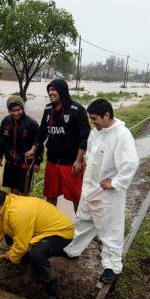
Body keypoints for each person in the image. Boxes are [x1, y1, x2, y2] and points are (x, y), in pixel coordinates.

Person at [63, 98, 138, 285]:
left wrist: (115, 182)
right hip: (90, 188)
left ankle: (112, 266)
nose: (92, 122)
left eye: (95, 118)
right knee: (82, 220)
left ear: (107, 115)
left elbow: (130, 163)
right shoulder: (96, 133)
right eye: (91, 118)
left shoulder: (122, 135)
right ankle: (73, 250)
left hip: (107, 193)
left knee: (109, 230)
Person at [0, 190, 74, 299]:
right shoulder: (8, 205)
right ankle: (30, 260)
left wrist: (11, 255)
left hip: (61, 232)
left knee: (36, 255)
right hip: (43, 230)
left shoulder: (16, 213)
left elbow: (21, 245)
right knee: (10, 234)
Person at [26, 79, 90, 212]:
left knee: (77, 197)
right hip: (52, 160)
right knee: (50, 195)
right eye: (49, 90)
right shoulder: (48, 109)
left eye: (53, 90)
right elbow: (42, 132)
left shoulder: (77, 110)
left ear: (62, 91)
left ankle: (80, 228)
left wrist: (78, 160)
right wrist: (33, 149)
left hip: (71, 162)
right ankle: (51, 225)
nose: (50, 92)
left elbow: (84, 137)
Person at [0, 95, 42, 195]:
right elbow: (1, 140)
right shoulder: (6, 121)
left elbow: (38, 142)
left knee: (24, 191)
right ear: (9, 110)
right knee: (13, 189)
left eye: (18, 110)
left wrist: (38, 161)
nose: (16, 113)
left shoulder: (32, 123)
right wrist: (0, 155)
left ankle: (23, 209)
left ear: (22, 108)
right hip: (10, 162)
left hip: (25, 163)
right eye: (12, 111)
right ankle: (15, 209)